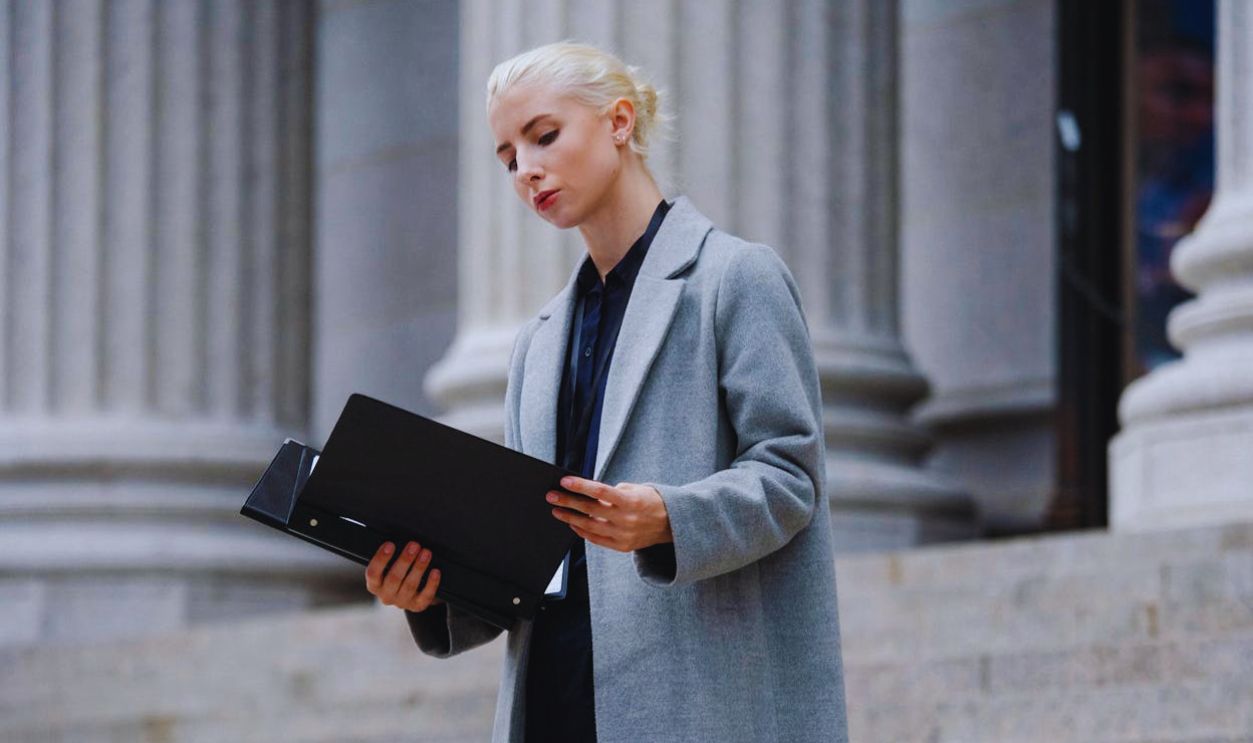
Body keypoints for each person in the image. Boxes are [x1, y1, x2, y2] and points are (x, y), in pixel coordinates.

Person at [364, 40, 848, 743]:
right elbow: (525, 548)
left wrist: (669, 517)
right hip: (550, 701)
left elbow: (789, 476)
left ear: (619, 123)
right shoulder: (537, 342)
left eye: (543, 136)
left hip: (691, 701)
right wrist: (431, 592)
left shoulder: (732, 278)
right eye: (507, 159)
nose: (526, 170)